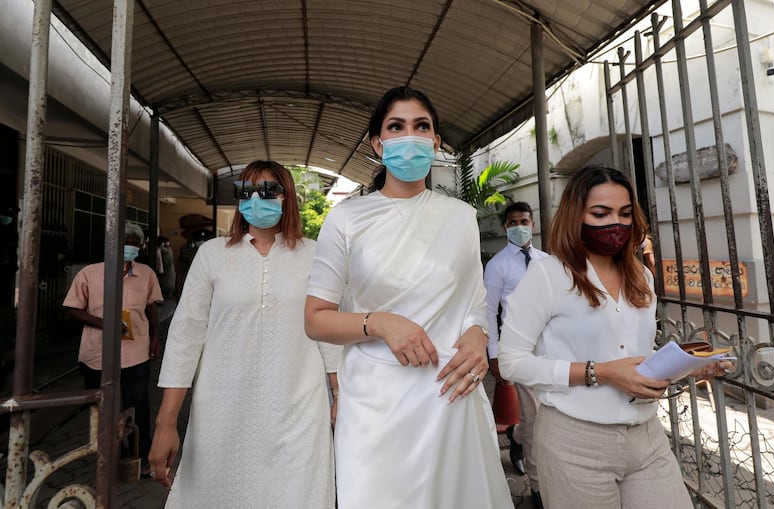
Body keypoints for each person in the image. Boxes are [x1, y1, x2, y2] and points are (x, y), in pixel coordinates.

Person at [304, 86, 513, 509]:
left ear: (435, 142)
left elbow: (474, 304)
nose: (409, 136)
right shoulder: (347, 218)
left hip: (450, 392)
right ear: (378, 144)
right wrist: (377, 322)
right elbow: (316, 319)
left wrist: (476, 338)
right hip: (375, 405)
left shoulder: (461, 217)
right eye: (395, 127)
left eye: (422, 126)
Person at [498, 165, 731, 508]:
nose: (615, 224)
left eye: (624, 213)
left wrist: (689, 367)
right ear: (576, 215)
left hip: (647, 437)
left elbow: (635, 354)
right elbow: (511, 363)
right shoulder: (547, 275)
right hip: (574, 440)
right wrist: (601, 372)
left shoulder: (641, 277)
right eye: (600, 213)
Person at [149, 160, 340, 508]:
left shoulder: (316, 255)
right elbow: (186, 337)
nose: (256, 200)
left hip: (299, 408)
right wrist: (166, 422)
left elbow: (328, 328)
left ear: (287, 196)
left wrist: (341, 392)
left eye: (268, 190)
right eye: (245, 191)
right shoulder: (212, 255)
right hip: (221, 409)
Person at [63, 221, 162, 476]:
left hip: (136, 352)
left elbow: (152, 307)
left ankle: (141, 455)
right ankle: (110, 455)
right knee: (102, 406)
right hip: (98, 352)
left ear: (140, 247)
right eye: (124, 242)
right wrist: (104, 322)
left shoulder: (147, 274)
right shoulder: (89, 273)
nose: (129, 247)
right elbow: (73, 309)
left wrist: (154, 338)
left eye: (134, 244)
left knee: (138, 404)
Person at [483, 201, 547, 508]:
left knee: (548, 414)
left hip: (550, 350)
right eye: (512, 223)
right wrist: (494, 354)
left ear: (532, 224)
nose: (518, 226)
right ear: (505, 227)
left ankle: (516, 436)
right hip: (518, 350)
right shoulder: (497, 266)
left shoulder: (547, 262)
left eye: (523, 221)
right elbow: (488, 311)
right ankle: (537, 487)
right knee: (536, 418)